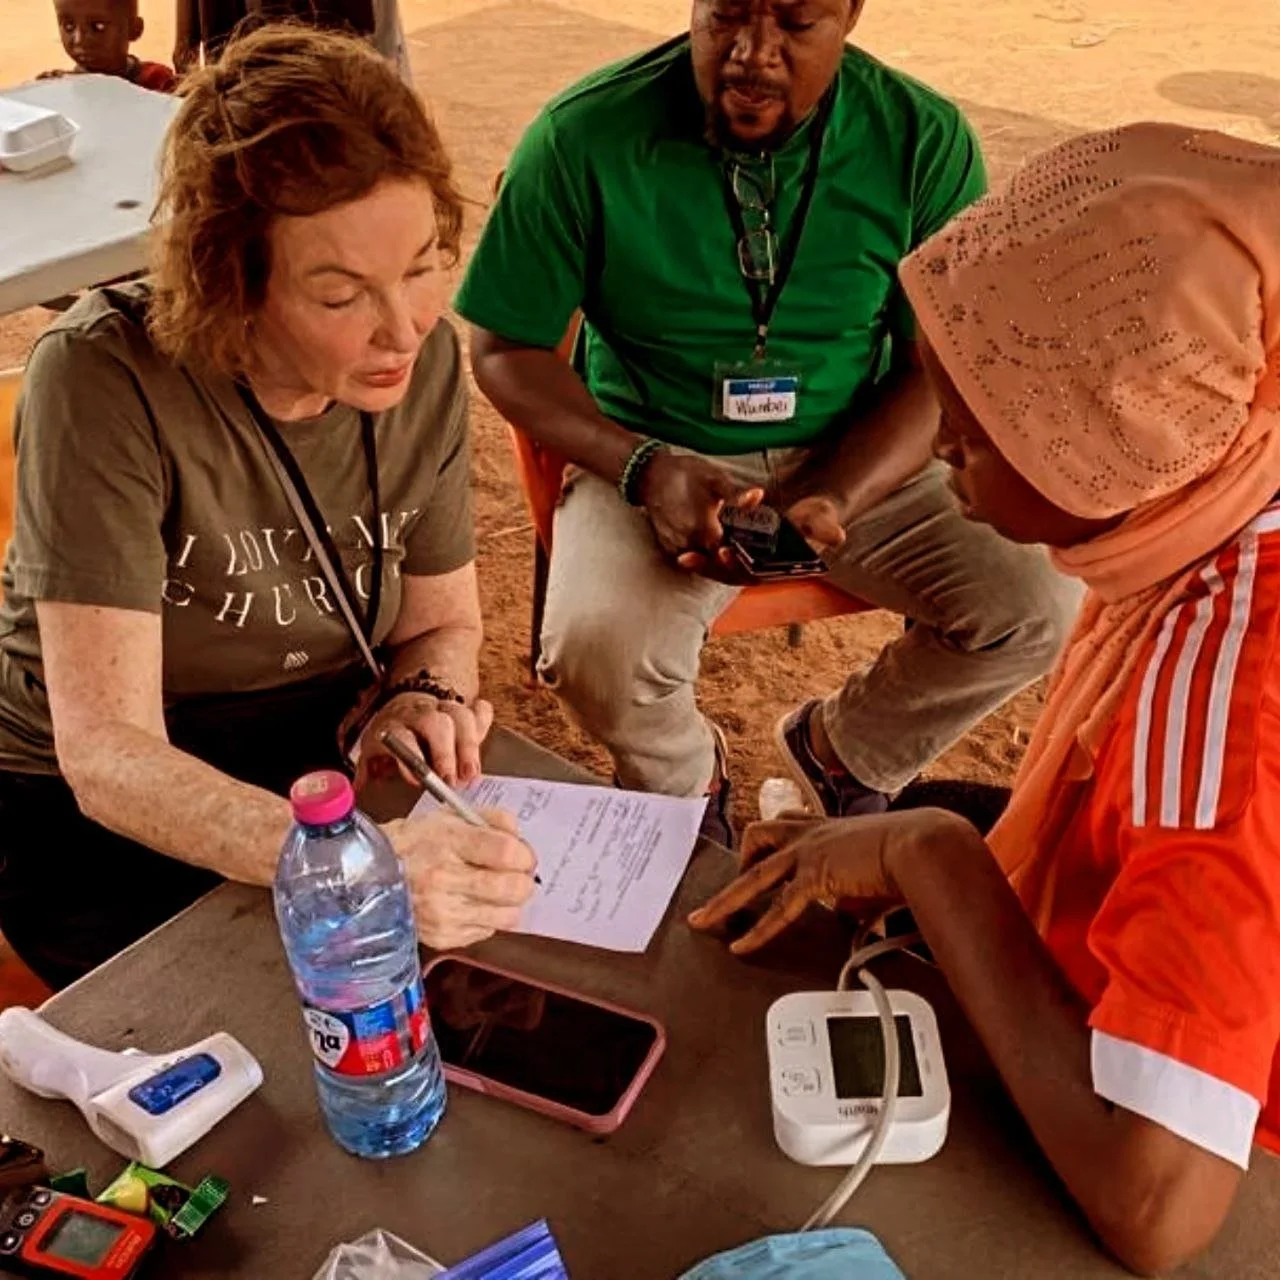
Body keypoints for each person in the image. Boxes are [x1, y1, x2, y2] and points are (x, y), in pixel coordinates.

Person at [692, 123, 1280, 1273]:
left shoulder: (1230, 681)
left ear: (1113, 439)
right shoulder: (1214, 497)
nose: (940, 451)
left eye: (977, 430)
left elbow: (1153, 1203)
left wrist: (932, 853)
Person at [455, 0, 1081, 845]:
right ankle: (684, 788)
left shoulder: (920, 140)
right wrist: (643, 467)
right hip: (652, 444)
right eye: (727, 16)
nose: (753, 54)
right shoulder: (583, 135)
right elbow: (504, 349)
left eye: (795, 22)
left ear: (851, 13)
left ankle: (843, 752)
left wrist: (838, 492)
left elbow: (940, 366)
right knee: (593, 648)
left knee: (1041, 602)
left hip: (862, 452)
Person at [0, 25, 536, 991]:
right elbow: (107, 754)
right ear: (229, 283)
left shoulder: (427, 366)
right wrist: (353, 863)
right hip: (92, 791)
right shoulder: (99, 381)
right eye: (341, 295)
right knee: (276, 1016)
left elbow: (443, 620)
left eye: (421, 266)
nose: (403, 326)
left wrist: (426, 693)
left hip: (308, 738)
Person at [43, 0, 178, 91]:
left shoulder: (159, 84)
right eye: (68, 26)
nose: (79, 40)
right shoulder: (59, 86)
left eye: (98, 27)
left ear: (134, 29)